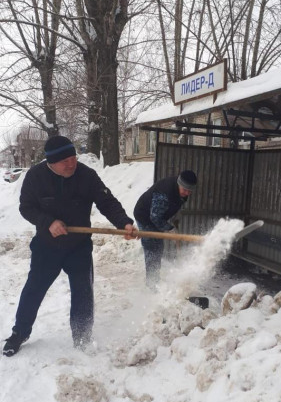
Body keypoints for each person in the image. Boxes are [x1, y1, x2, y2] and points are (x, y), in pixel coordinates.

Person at [3, 135, 135, 357]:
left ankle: (82, 336)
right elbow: (26, 208)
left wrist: (124, 222)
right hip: (47, 246)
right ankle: (19, 332)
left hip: (78, 246)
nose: (71, 164)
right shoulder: (35, 177)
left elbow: (106, 201)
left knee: (83, 292)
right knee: (34, 290)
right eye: (65, 161)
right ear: (50, 163)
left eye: (73, 158)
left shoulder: (87, 176)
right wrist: (48, 223)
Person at [134, 170, 197, 290]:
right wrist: (169, 229)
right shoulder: (164, 193)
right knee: (152, 247)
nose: (187, 193)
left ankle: (154, 279)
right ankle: (151, 284)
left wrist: (174, 216)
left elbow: (173, 204)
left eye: (190, 191)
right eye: (185, 190)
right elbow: (155, 217)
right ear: (179, 184)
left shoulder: (180, 189)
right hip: (144, 216)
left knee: (158, 247)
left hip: (154, 216)